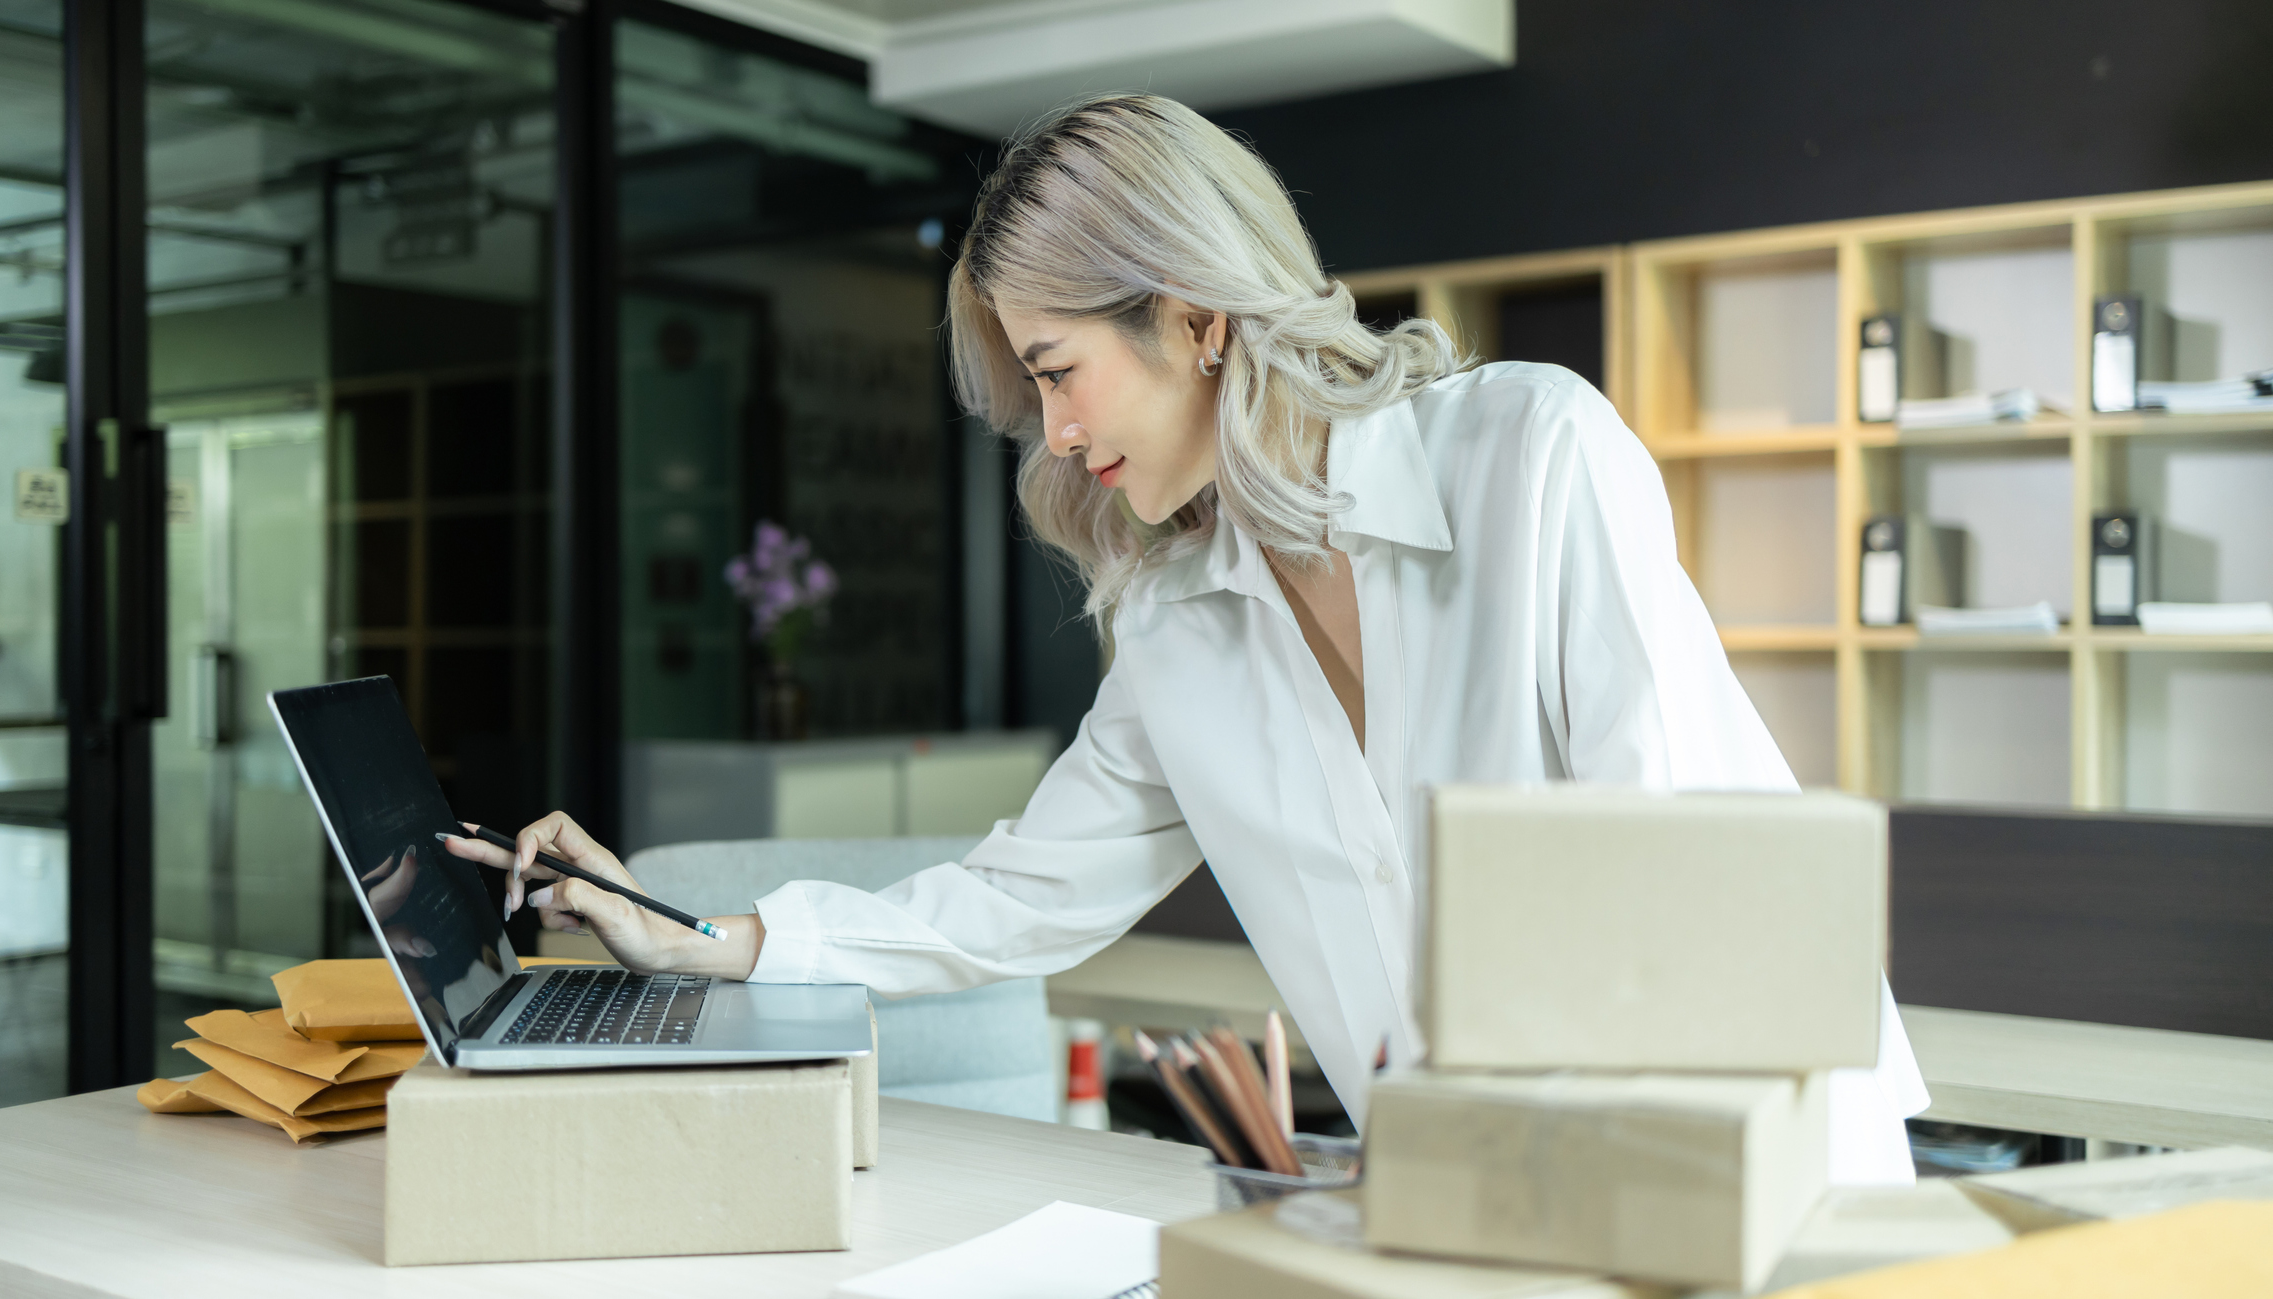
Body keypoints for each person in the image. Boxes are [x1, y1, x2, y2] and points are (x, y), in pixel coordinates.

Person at [446, 93, 1928, 1182]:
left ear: (1193, 316)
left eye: (1060, 372)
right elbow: (1014, 900)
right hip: (1496, 1212)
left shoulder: (1533, 456)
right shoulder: (1177, 613)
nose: (1055, 432)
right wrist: (703, 940)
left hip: (1766, 1179)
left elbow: (1664, 866)